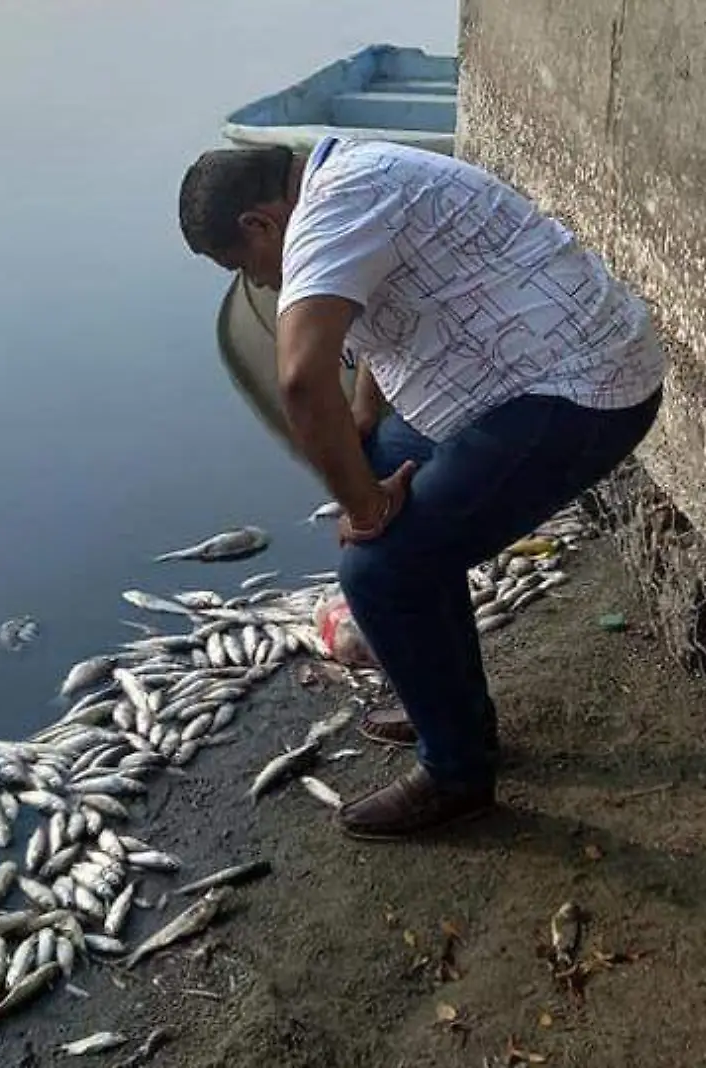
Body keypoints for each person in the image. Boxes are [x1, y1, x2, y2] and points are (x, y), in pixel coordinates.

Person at [177, 137, 666, 839]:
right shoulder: (346, 174)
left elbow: (300, 379)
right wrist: (369, 415)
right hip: (523, 372)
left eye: (245, 267)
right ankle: (449, 704)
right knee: (373, 465)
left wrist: (366, 506)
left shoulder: (329, 211)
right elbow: (381, 303)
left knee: (380, 566)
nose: (258, 284)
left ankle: (457, 773)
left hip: (583, 389)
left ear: (260, 224)